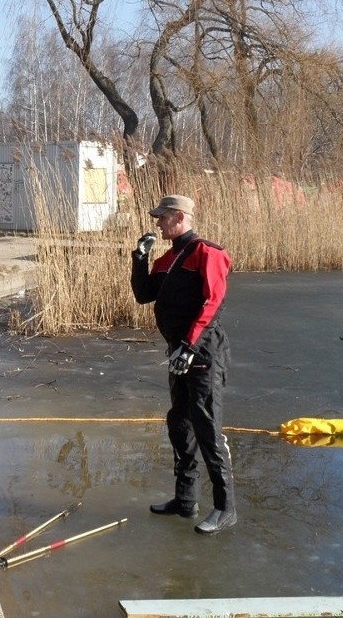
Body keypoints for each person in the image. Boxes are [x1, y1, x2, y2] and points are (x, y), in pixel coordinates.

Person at [130, 194, 236, 535]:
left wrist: (190, 345)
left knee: (207, 427)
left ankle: (225, 507)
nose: (158, 223)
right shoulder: (169, 258)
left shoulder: (208, 252)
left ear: (179, 217)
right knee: (180, 423)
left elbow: (213, 301)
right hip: (180, 353)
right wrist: (140, 257)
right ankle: (186, 499)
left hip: (204, 353)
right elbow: (144, 294)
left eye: (162, 218)